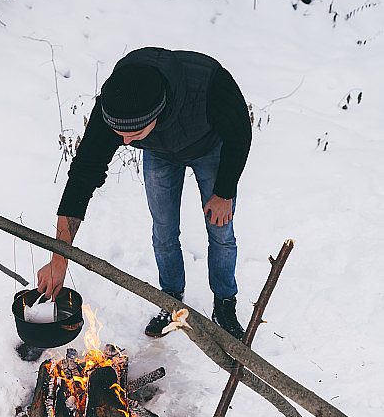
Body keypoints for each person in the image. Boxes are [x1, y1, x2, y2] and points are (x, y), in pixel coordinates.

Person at [37, 47, 252, 339]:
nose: (124, 141)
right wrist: (59, 258)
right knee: (163, 231)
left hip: (209, 149)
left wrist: (224, 193)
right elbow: (82, 176)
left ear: (157, 113)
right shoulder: (114, 104)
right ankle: (171, 299)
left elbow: (240, 135)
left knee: (221, 231)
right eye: (119, 134)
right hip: (161, 154)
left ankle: (225, 303)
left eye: (133, 134)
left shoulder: (208, 84)